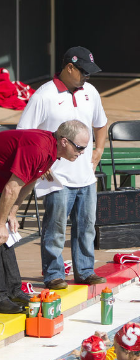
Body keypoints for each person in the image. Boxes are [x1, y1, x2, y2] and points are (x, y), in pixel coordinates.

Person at [17, 46, 108, 290]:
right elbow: (24, 134)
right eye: (83, 72)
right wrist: (39, 161)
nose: (87, 77)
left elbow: (101, 125)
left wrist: (98, 151)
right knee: (54, 229)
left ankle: (85, 271)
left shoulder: (90, 92)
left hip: (85, 176)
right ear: (69, 67)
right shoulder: (44, 95)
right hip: (56, 177)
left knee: (86, 227)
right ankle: (54, 274)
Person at [0, 121, 90, 313]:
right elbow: (11, 189)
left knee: (5, 239)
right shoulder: (38, 149)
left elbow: (29, 182)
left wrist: (12, 213)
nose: (81, 152)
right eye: (79, 147)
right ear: (64, 141)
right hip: (4, 185)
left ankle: (14, 289)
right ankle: (0, 297)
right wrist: (0, 222)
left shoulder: (51, 151)